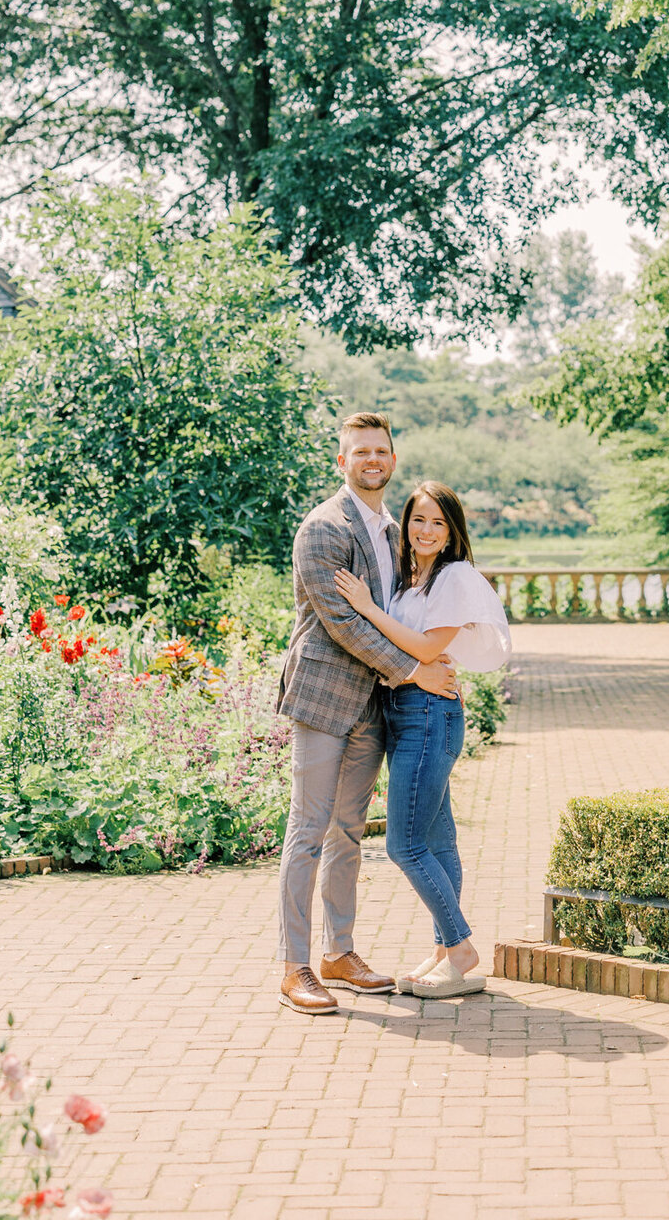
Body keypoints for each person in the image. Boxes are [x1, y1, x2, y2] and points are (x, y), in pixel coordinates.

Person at [275, 415, 459, 1017]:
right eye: (360, 452)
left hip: (374, 707)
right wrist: (415, 670)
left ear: (393, 458)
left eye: (381, 450)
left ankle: (340, 953)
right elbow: (344, 623)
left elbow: (405, 609)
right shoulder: (323, 528)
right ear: (342, 461)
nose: (372, 459)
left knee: (348, 834)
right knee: (308, 832)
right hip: (326, 699)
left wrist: (436, 650)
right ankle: (295, 965)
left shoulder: (395, 531)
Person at [333, 480, 511, 999]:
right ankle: (444, 959)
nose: (426, 530)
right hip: (407, 711)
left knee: (404, 844)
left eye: (438, 522)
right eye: (417, 520)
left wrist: (367, 607)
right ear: (405, 524)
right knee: (438, 839)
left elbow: (427, 648)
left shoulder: (453, 577)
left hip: (430, 715)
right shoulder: (414, 578)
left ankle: (459, 947)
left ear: (452, 530)